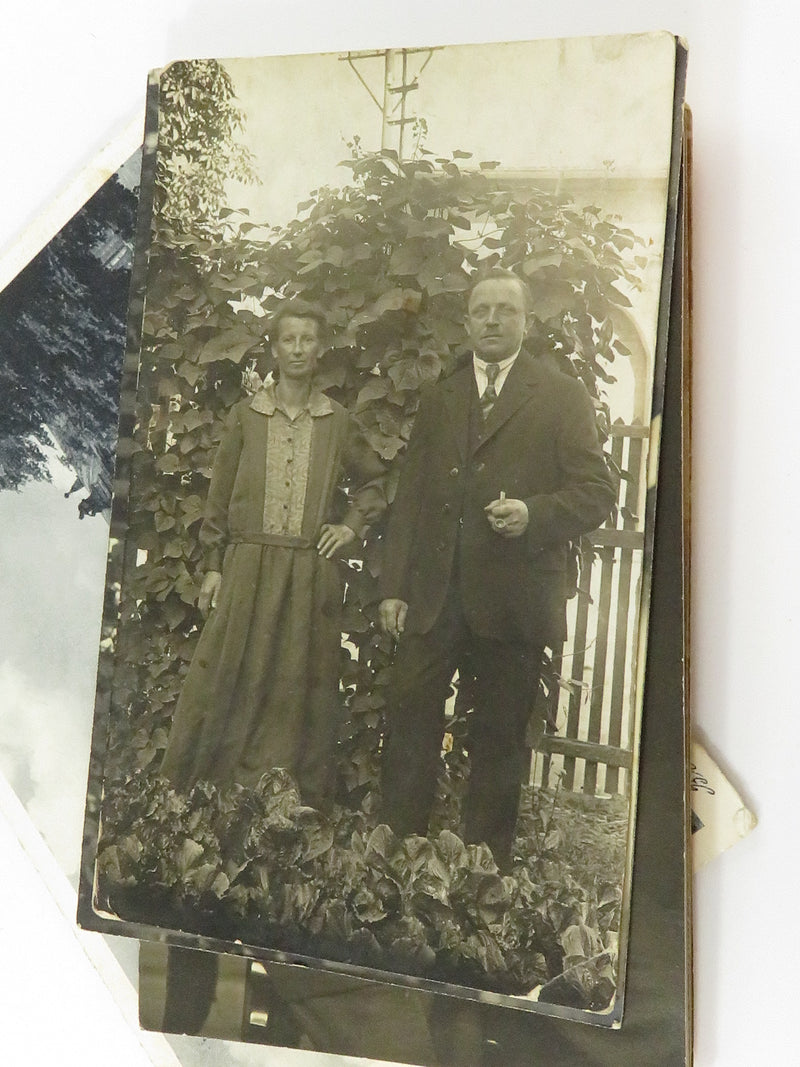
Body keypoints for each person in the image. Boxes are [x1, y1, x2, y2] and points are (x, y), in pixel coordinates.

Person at [377, 268, 616, 870]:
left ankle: (482, 869)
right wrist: (395, 588)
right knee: (409, 723)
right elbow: (411, 498)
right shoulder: (443, 395)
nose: (490, 320)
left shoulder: (560, 395)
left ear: (524, 322)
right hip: (434, 597)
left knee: (501, 739)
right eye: (481, 310)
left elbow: (595, 491)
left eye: (504, 311)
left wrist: (533, 513)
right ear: (467, 323)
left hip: (512, 601)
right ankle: (399, 857)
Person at [160, 300, 385, 810]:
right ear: (275, 348)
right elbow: (218, 499)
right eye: (289, 339)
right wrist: (214, 567)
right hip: (246, 567)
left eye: (308, 339)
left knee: (293, 687)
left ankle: (282, 807)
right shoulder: (246, 417)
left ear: (320, 348)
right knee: (228, 675)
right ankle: (207, 799)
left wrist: (349, 527)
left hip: (307, 572)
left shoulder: (336, 420)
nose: (299, 349)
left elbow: (375, 482)